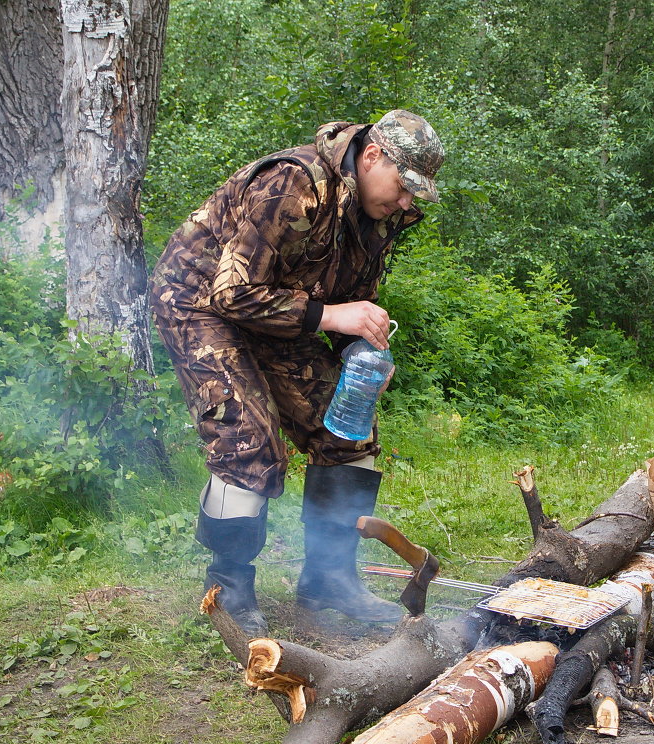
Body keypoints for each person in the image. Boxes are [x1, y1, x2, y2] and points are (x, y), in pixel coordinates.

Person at [150, 110, 444, 636]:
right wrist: (331, 316)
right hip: (199, 302)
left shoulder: (376, 216)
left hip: (277, 313)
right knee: (248, 442)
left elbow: (353, 297)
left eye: (414, 195)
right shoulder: (294, 183)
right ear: (372, 157)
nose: (407, 202)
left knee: (348, 432)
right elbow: (232, 293)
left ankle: (329, 577)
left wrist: (363, 352)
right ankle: (228, 587)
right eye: (404, 187)